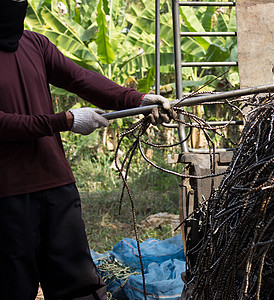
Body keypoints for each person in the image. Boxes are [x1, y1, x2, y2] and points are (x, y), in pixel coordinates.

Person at [0, 1, 172, 299]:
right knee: (12, 284)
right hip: (7, 194)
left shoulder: (35, 44)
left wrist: (136, 99)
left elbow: (80, 79)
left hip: (55, 183)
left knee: (78, 283)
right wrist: (64, 120)